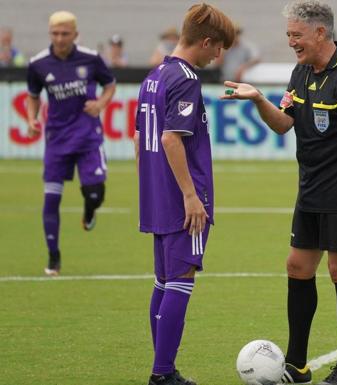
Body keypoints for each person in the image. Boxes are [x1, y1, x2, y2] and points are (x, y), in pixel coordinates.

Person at [222, 1, 337, 384]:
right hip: (310, 189)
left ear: (320, 33)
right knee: (297, 266)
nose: (291, 41)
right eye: (289, 34)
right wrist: (259, 99)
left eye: (297, 34)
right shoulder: (301, 72)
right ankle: (296, 364)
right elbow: (283, 124)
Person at [134, 3, 235, 385]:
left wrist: (151, 186)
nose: (218, 55)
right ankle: (163, 374)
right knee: (181, 279)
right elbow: (170, 137)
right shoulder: (186, 78)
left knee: (164, 280)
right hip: (183, 200)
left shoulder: (155, 75)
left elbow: (139, 138)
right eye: (218, 47)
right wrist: (191, 197)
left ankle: (163, 370)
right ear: (206, 41)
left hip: (158, 195)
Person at [26, 11, 116, 276]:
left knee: (95, 195)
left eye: (65, 33)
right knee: (51, 200)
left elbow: (110, 85)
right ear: (50, 34)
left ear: (75, 35)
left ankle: (89, 211)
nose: (60, 38)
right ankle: (54, 257)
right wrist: (32, 119)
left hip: (88, 138)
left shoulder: (90, 59)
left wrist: (100, 104)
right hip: (57, 140)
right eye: (55, 33)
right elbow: (33, 95)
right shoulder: (38, 64)